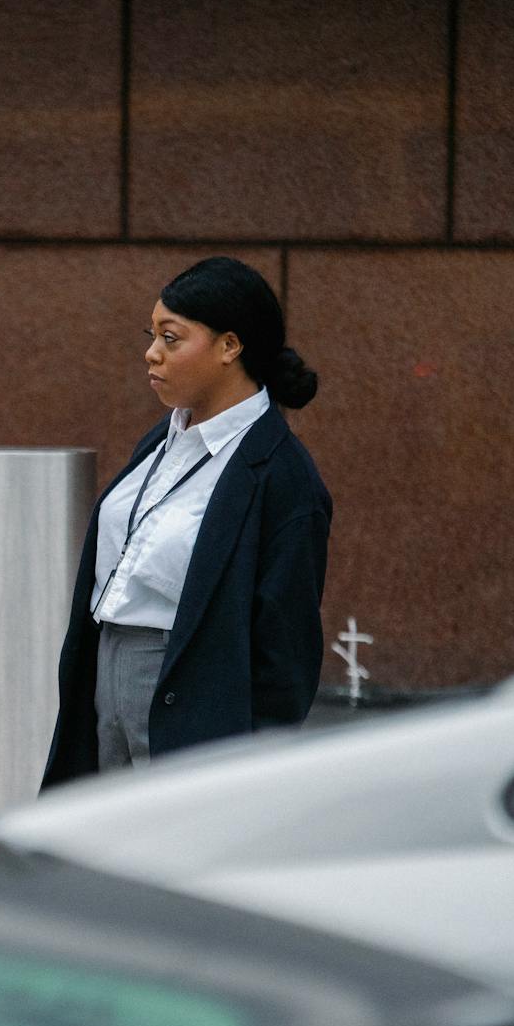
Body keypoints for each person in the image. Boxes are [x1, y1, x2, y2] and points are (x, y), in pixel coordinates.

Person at [43, 256, 332, 788]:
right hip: (106, 670)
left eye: (171, 338)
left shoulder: (281, 475)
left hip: (189, 692)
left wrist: (253, 771)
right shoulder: (164, 438)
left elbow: (287, 653)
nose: (151, 353)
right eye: (151, 335)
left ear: (229, 346)